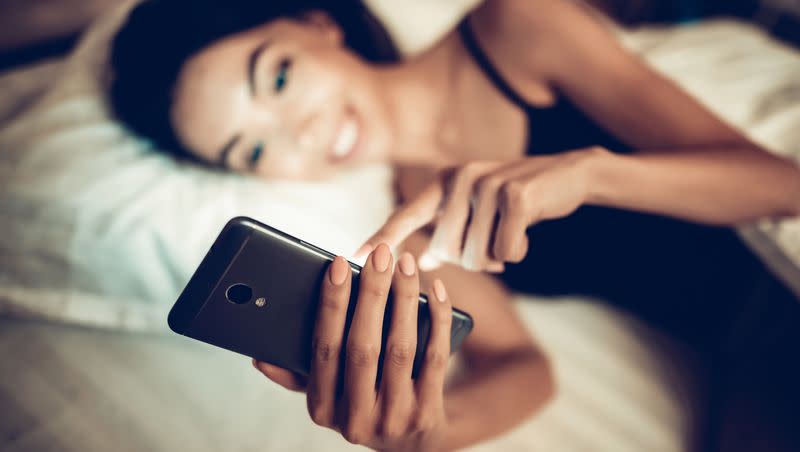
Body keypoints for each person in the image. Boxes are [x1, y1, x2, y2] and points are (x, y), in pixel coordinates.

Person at [110, 0, 800, 450]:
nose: (299, 132)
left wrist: (592, 174)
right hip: (750, 354)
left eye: (280, 79)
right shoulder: (407, 229)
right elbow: (522, 368)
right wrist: (423, 434)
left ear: (317, 22)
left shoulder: (514, 28)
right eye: (254, 151)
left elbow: (783, 186)